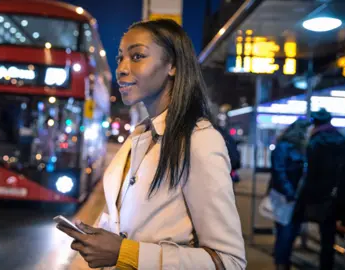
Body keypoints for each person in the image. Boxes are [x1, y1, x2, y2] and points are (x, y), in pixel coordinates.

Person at [58, 19, 246, 269]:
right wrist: (100, 239)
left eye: (137, 56)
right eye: (120, 59)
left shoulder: (199, 141)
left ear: (173, 66)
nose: (122, 69)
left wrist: (126, 254)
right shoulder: (140, 136)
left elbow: (229, 261)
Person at [299, 108, 345, 270]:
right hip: (344, 198)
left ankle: (326, 265)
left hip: (323, 199)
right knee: (338, 232)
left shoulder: (314, 143)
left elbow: (311, 175)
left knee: (326, 237)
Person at [269, 119, 310, 270]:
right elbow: (278, 171)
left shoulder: (301, 148)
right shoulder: (284, 147)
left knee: (291, 232)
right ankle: (281, 263)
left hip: (297, 198)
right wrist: (289, 192)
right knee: (284, 232)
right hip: (285, 197)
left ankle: (284, 260)